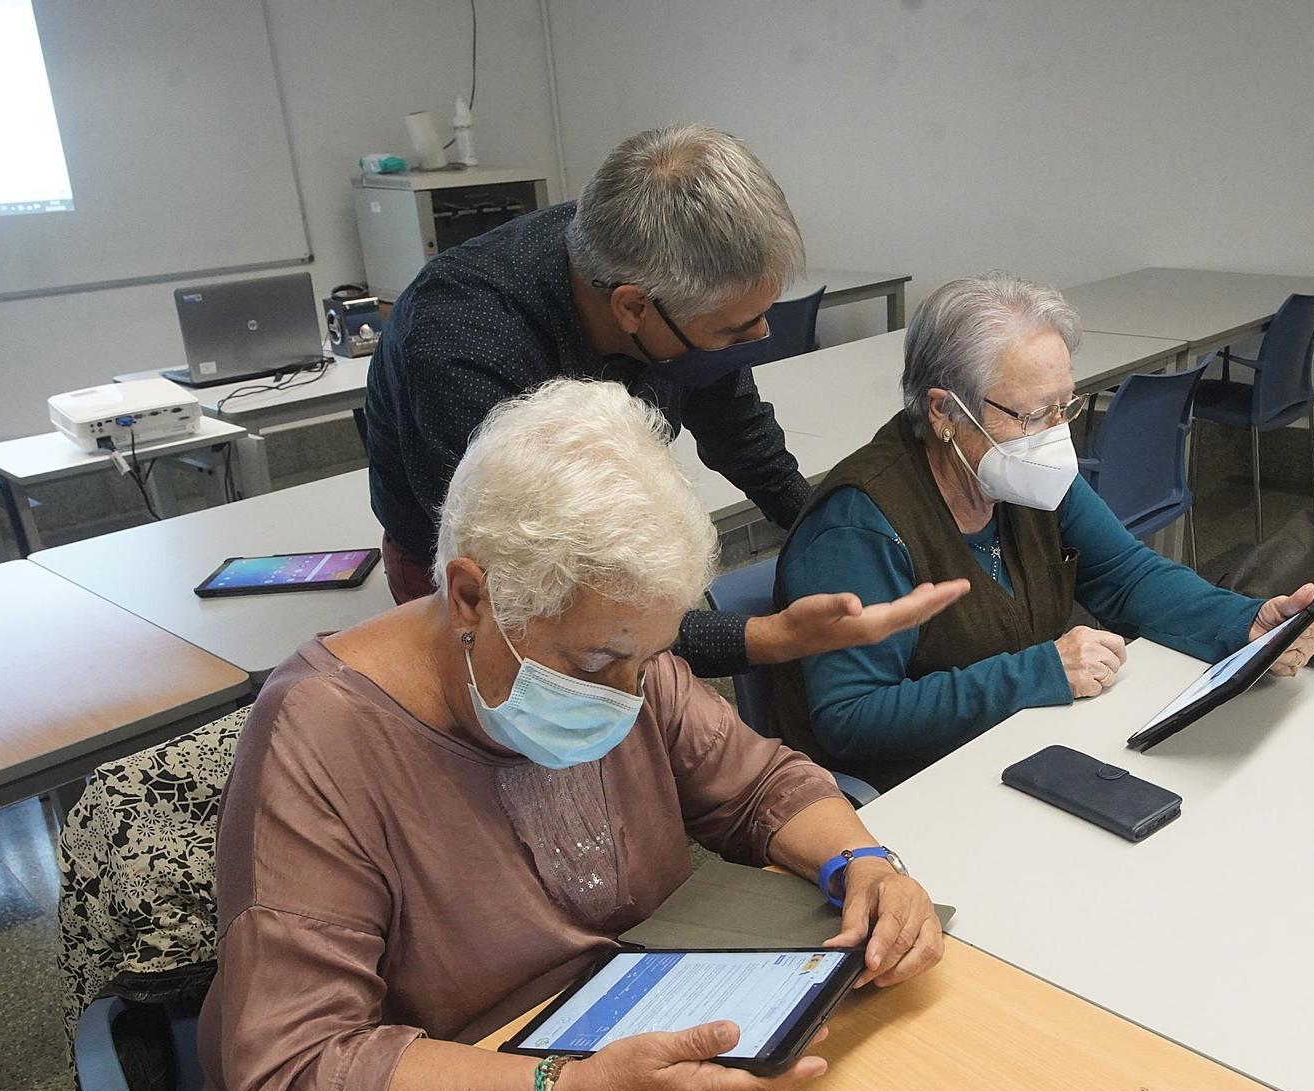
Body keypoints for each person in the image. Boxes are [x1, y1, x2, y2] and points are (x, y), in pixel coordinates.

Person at [195, 378, 944, 1091]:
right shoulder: (324, 736)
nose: (629, 694)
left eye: (646, 659)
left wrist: (862, 863)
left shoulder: (621, 654)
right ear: (472, 596)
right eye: (593, 664)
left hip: (617, 1059)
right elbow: (302, 1074)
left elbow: (760, 784)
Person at [363, 123, 964, 676]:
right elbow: (541, 598)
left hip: (576, 552)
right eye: (733, 329)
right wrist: (769, 638)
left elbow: (740, 432)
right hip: (483, 576)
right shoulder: (463, 344)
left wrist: (831, 534)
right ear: (631, 307)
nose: (760, 339)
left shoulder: (661, 269)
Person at [770, 275, 1314, 791]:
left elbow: (1127, 577)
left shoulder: (1022, 477)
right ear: (944, 411)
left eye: (1066, 407)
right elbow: (851, 719)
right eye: (1034, 415)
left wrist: (1241, 623)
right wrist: (1039, 672)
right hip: (916, 789)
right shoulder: (860, 526)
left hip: (1019, 749)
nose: (1057, 435)